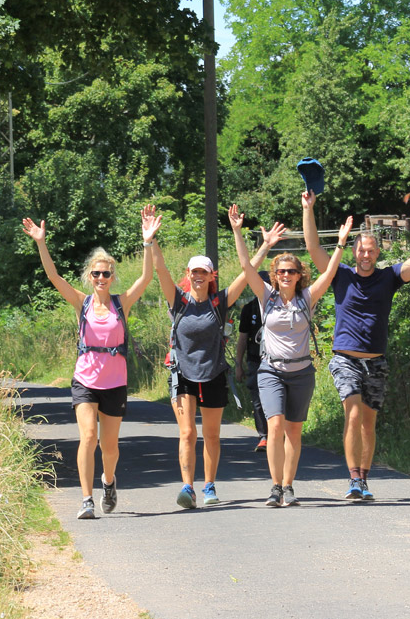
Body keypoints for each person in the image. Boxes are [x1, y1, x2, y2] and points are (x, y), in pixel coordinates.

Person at [302, 190, 410, 501]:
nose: (366, 255)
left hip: (376, 361)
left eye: (371, 251)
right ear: (354, 253)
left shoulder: (388, 278)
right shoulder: (339, 276)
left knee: (368, 423)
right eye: (361, 251)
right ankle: (353, 478)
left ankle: (364, 480)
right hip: (345, 358)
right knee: (353, 415)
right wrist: (309, 209)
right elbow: (313, 247)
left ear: (376, 253)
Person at [22, 208, 162, 520]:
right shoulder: (81, 303)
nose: (101, 278)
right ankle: (86, 499)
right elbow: (53, 277)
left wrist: (148, 242)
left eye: (106, 274)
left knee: (109, 447)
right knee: (88, 437)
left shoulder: (120, 303)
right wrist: (41, 243)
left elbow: (147, 277)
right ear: (89, 277)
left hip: (115, 383)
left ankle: (108, 483)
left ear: (112, 277)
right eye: (96, 274)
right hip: (85, 380)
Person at [147, 205, 285, 509]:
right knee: (187, 433)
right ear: (188, 275)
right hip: (182, 373)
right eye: (194, 271)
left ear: (212, 275)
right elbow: (160, 271)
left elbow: (246, 273)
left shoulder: (219, 301)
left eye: (203, 272)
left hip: (213, 374)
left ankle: (209, 485)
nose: (198, 276)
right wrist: (151, 240)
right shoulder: (178, 300)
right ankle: (188, 488)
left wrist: (264, 245)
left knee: (210, 435)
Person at [230, 203, 353, 507]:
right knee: (274, 426)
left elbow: (332, 271)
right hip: (270, 370)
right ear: (274, 275)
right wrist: (237, 231)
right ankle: (274, 487)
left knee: (294, 432)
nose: (285, 275)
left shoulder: (307, 298)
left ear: (300, 275)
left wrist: (340, 242)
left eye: (291, 271)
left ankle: (288, 486)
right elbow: (246, 267)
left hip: (301, 373)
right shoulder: (265, 296)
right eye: (281, 271)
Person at [235, 278, 269, 453]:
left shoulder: (281, 305)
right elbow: (242, 339)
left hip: (278, 361)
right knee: (258, 400)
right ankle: (263, 436)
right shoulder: (249, 309)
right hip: (255, 360)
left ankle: (280, 434)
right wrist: (238, 365)